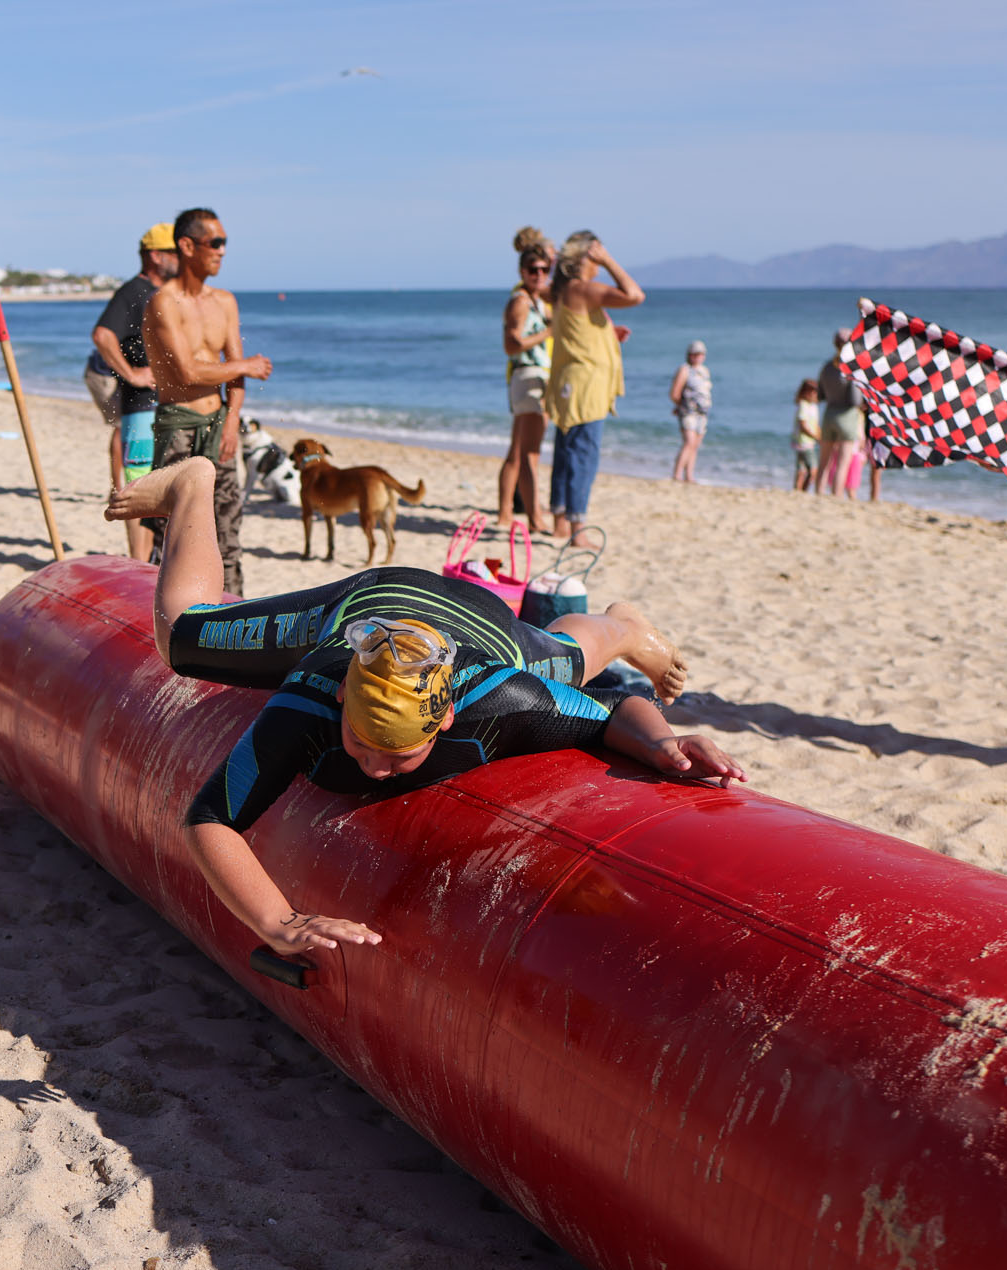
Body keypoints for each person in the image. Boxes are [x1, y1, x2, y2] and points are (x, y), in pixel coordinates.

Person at [103, 455, 741, 956]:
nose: (375, 768)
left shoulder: (499, 695)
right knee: (179, 636)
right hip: (358, 611)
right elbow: (211, 817)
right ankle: (193, 484)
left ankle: (623, 626)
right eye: (360, 742)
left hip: (480, 626)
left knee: (570, 658)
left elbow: (614, 707)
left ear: (446, 720)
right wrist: (278, 921)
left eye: (399, 753)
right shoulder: (309, 699)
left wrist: (661, 743)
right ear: (344, 700)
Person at [144, 207, 273, 596]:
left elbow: (233, 374)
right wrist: (246, 365)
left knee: (228, 534)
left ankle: (234, 614)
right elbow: (186, 372)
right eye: (215, 243)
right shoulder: (164, 302)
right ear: (187, 246)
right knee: (173, 537)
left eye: (224, 243)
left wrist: (232, 421)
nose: (222, 251)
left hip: (219, 426)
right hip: (178, 426)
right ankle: (164, 620)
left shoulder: (225, 302)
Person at [545, 232, 642, 548]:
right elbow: (635, 295)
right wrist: (609, 261)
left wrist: (607, 333)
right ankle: (578, 529)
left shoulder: (564, 290)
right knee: (583, 455)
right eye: (596, 254)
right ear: (586, 257)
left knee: (567, 452)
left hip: (569, 382)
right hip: (586, 386)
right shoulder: (583, 288)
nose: (599, 260)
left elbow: (577, 331)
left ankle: (561, 522)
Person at [90, 224, 179, 561]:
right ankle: (139, 565)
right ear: (155, 256)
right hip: (141, 407)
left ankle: (149, 565)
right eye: (173, 252)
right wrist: (132, 374)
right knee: (139, 490)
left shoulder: (162, 292)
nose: (180, 259)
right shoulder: (133, 291)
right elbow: (102, 335)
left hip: (161, 407)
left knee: (162, 489)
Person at [498, 242, 552, 530]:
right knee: (530, 452)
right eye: (533, 269)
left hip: (530, 376)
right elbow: (512, 344)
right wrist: (548, 332)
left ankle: (506, 512)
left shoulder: (537, 300)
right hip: (529, 375)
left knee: (518, 451)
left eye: (545, 269)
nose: (539, 274)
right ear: (522, 271)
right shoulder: (521, 302)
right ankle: (535, 517)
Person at [816, 330, 866, 499]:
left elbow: (820, 395)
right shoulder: (851, 368)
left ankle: (819, 493)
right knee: (842, 464)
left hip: (829, 414)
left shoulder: (827, 366)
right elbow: (855, 400)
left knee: (824, 462)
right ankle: (836, 495)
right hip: (847, 417)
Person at [668, 339, 712, 484]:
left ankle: (689, 475)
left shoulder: (704, 371)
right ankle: (677, 474)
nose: (698, 357)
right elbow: (674, 393)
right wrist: (680, 406)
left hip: (702, 413)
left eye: (701, 354)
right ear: (690, 355)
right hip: (688, 411)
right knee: (689, 442)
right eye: (695, 354)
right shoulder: (685, 370)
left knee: (695, 445)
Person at [791, 379, 821, 492]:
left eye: (815, 391)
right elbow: (803, 425)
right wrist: (816, 437)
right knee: (812, 469)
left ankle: (799, 490)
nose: (814, 394)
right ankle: (802, 490)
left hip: (807, 442)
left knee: (802, 469)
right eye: (811, 391)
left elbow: (815, 425)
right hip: (803, 442)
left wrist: (820, 436)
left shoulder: (813, 406)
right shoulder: (803, 405)